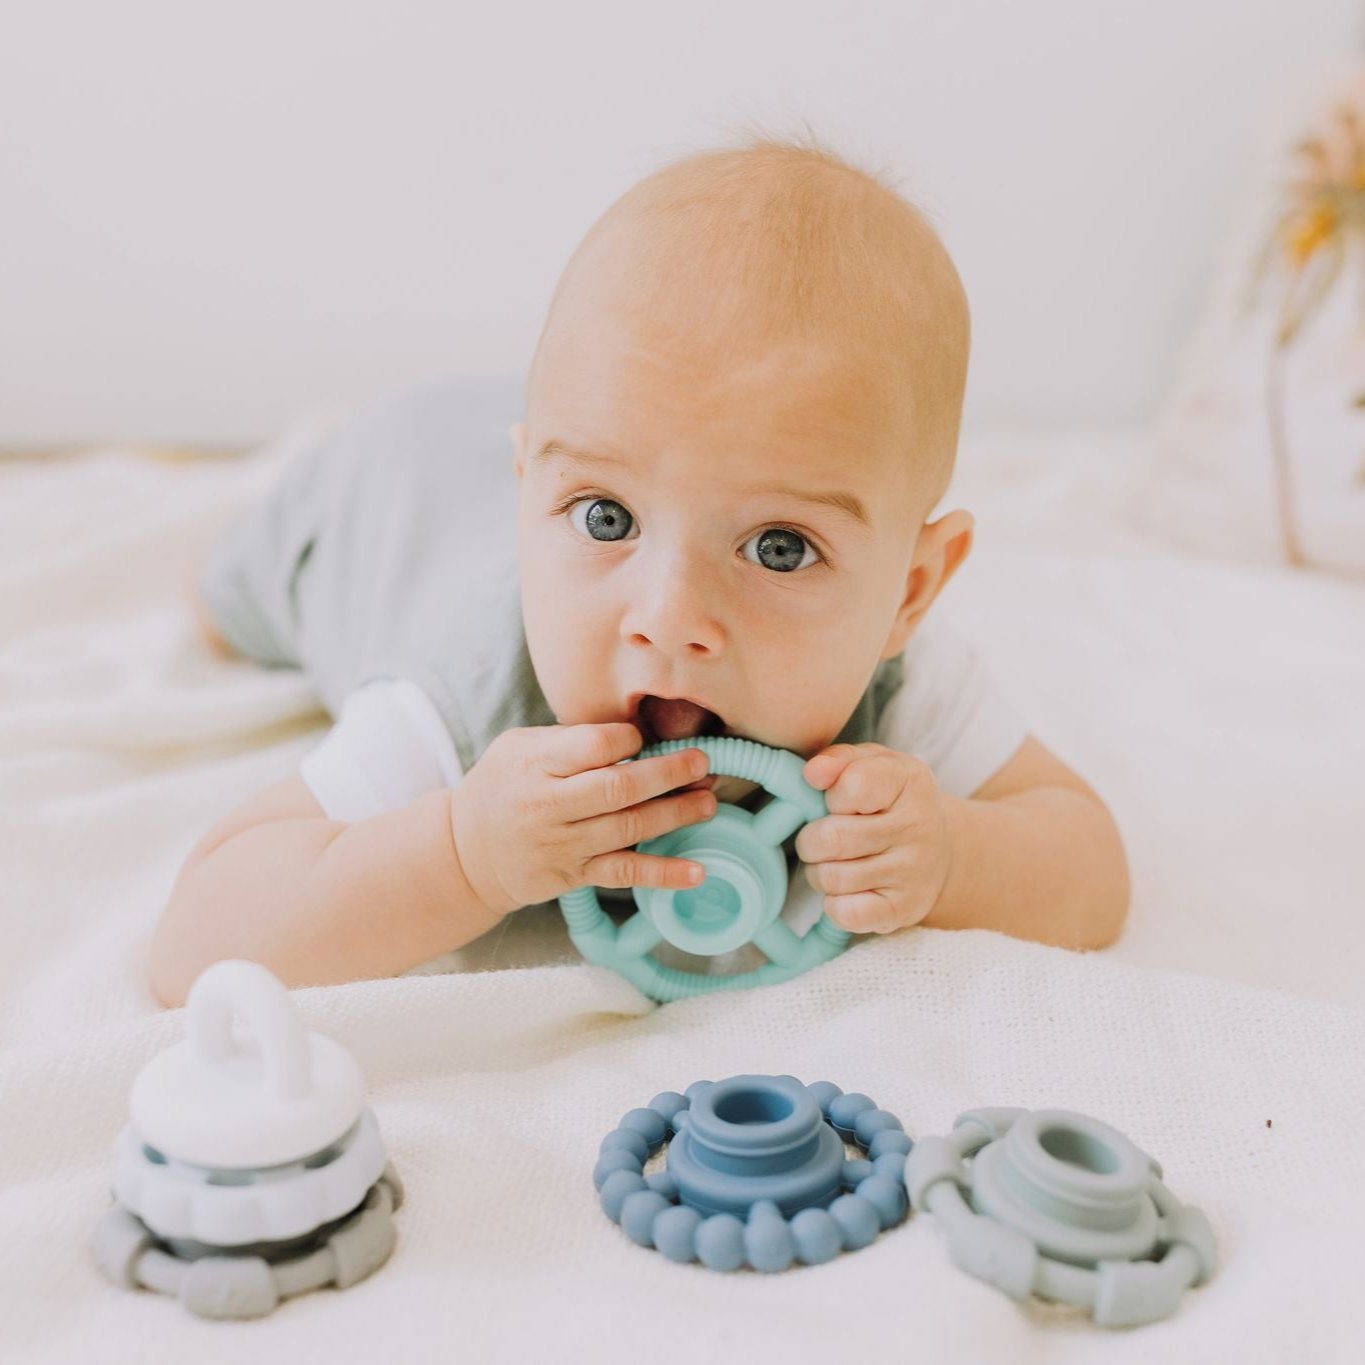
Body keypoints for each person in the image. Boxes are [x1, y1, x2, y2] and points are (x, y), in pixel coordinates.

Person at [150, 133, 1129, 1007]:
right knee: (229, 601)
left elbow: (1089, 862)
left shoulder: (897, 676)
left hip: (526, 455)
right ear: (531, 493)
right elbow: (196, 945)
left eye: (779, 547)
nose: (669, 617)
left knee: (645, 441)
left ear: (908, 594)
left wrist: (957, 857)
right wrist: (460, 851)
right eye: (606, 518)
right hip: (381, 497)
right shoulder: (461, 697)